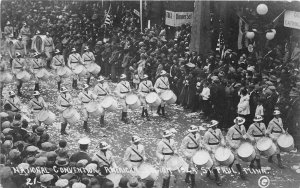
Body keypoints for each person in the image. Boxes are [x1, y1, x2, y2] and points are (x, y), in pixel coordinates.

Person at [203, 120, 225, 186]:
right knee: (215, 163)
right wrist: (209, 149)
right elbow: (205, 143)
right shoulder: (207, 133)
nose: (216, 126)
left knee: (217, 162)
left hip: (218, 147)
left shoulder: (218, 130)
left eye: (216, 125)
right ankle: (217, 178)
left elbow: (222, 137)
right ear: (212, 126)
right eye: (215, 125)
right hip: (211, 148)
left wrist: (223, 143)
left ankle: (208, 172)